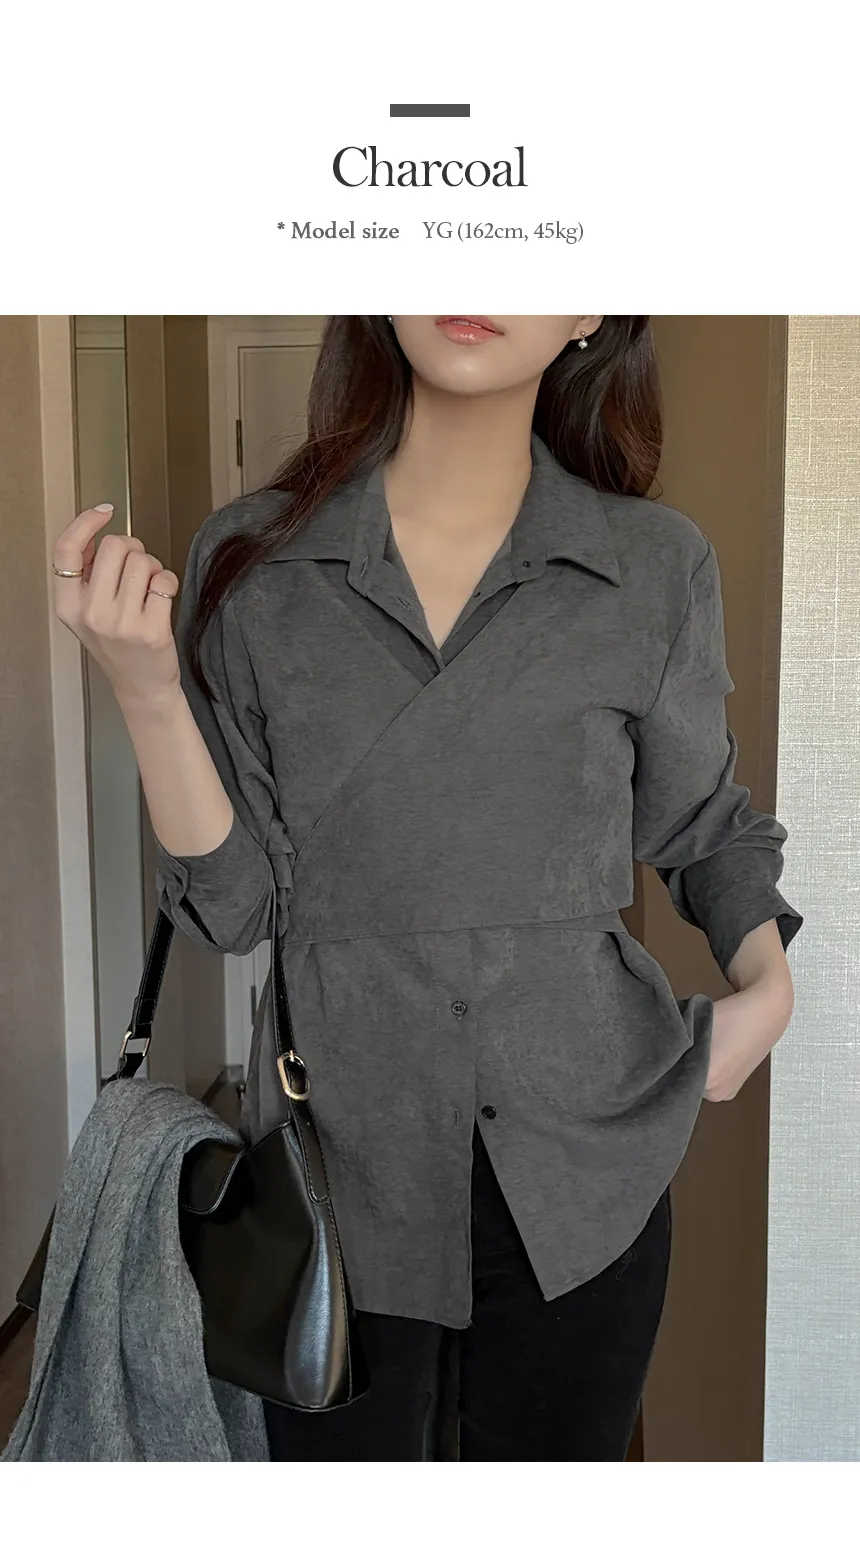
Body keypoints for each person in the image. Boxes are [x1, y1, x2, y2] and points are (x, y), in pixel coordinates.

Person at [51, 314, 802, 1461]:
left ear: (591, 308)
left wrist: (767, 990)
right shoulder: (251, 562)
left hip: (585, 1153)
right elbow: (235, 906)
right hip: (339, 1161)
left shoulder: (653, 564)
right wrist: (149, 691)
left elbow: (699, 822)